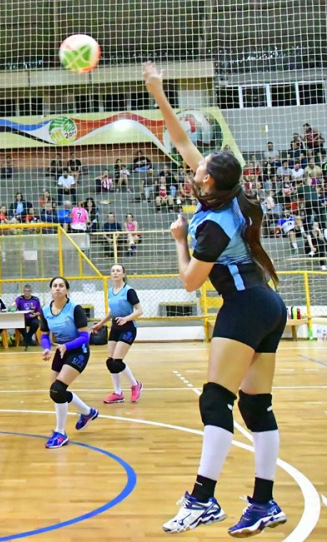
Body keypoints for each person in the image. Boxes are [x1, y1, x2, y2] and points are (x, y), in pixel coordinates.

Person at [145, 61, 288, 536]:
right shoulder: (229, 196)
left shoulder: (210, 226)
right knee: (256, 407)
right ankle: (264, 504)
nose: (197, 162)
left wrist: (179, 240)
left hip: (245, 307)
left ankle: (202, 500)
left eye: (202, 164)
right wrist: (157, 91)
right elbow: (181, 140)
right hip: (266, 304)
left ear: (207, 180)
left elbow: (190, 282)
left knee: (215, 401)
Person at [40, 276, 98, 449]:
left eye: (61, 285)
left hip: (78, 350)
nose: (58, 288)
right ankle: (87, 412)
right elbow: (44, 335)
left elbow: (85, 337)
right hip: (61, 350)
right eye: (55, 286)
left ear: (66, 290)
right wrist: (46, 348)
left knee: (58, 389)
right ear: (51, 290)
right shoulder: (46, 310)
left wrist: (67, 346)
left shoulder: (75, 309)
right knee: (55, 392)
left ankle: (60, 433)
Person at [91, 264, 144, 404]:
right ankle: (118, 393)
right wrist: (101, 323)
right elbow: (112, 312)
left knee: (117, 361)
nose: (115, 273)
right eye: (113, 271)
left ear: (123, 274)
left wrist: (126, 318)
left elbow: (139, 310)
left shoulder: (129, 291)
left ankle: (135, 385)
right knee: (110, 362)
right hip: (115, 327)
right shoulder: (110, 291)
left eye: (118, 271)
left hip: (128, 327)